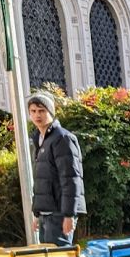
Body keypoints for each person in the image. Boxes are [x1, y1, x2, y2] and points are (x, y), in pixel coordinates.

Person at [28, 91, 86, 248]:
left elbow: (71, 178)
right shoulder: (39, 140)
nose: (37, 115)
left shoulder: (62, 138)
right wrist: (37, 213)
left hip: (60, 213)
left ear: (51, 112)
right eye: (33, 111)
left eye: (42, 110)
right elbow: (41, 181)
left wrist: (69, 215)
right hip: (46, 213)